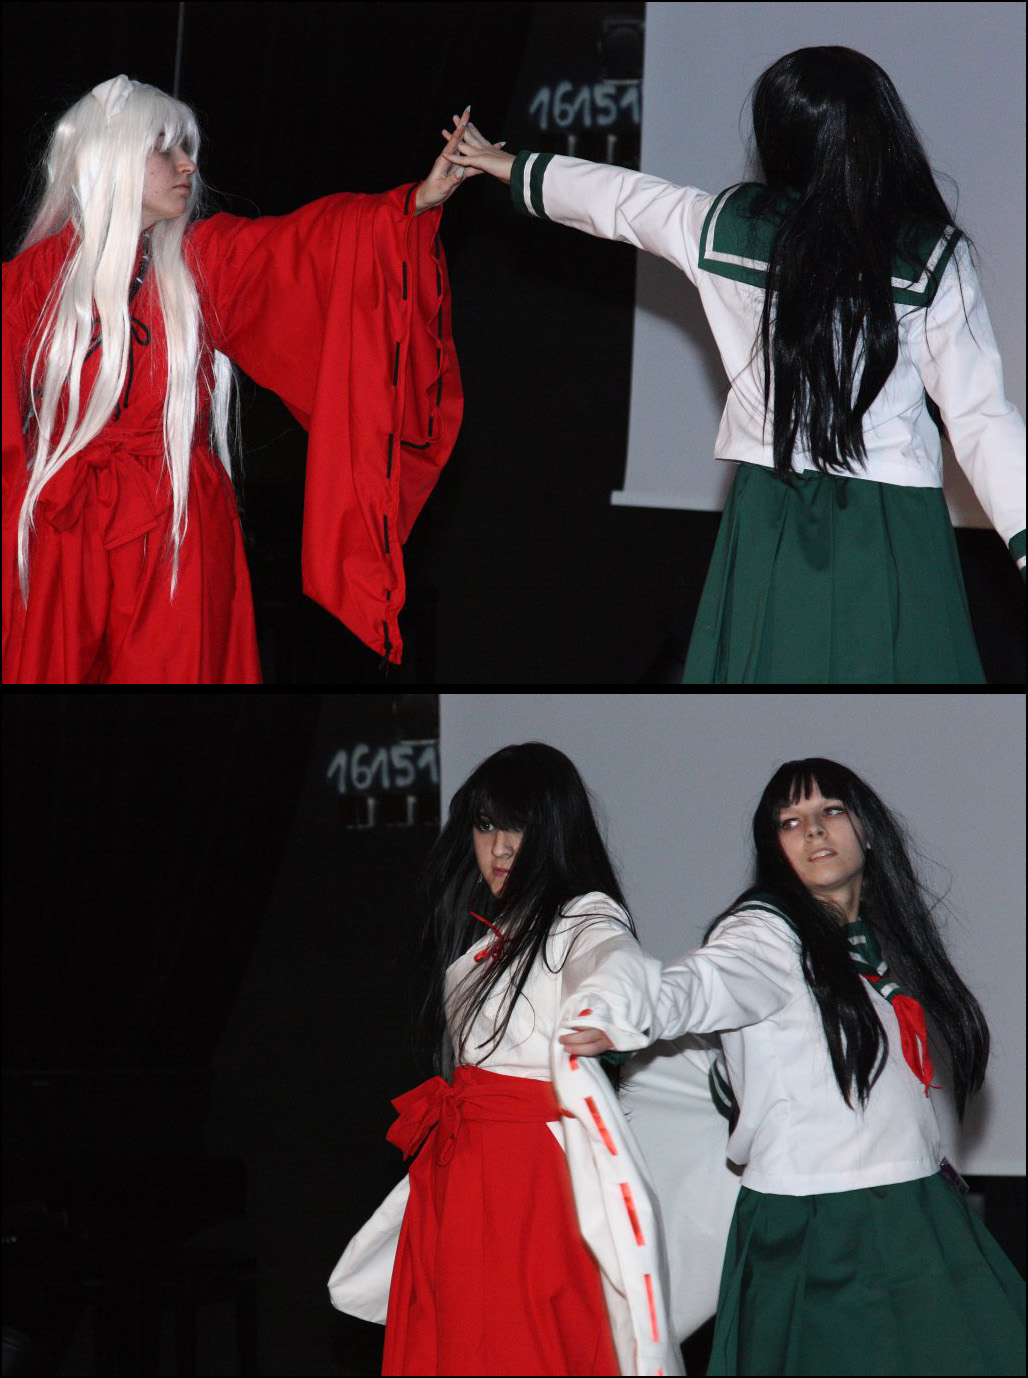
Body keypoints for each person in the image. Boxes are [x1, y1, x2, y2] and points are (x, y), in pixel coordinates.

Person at [442, 47, 1026, 685]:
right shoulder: (930, 254)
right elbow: (980, 417)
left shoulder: (727, 226)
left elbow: (622, 201)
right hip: (889, 524)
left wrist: (503, 163)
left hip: (771, 512)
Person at [2, 76, 487, 682]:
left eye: (187, 149)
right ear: (111, 157)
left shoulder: (205, 261)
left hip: (176, 530)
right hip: (59, 533)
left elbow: (307, 250)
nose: (187, 165)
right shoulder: (26, 286)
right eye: (164, 149)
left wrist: (412, 204)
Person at [562, 757, 1026, 1376]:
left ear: (867, 830)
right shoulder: (765, 935)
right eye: (790, 821)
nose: (813, 830)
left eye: (830, 810)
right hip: (824, 1224)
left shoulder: (867, 943)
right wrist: (627, 1010)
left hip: (910, 1204)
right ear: (775, 848)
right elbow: (703, 981)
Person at [328, 742, 694, 1377]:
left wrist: (606, 1008)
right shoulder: (493, 935)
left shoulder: (583, 918)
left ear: (555, 831)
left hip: (525, 1185)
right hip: (461, 1173)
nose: (499, 848)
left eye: (518, 827)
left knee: (521, 1348)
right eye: (486, 825)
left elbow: (617, 962)